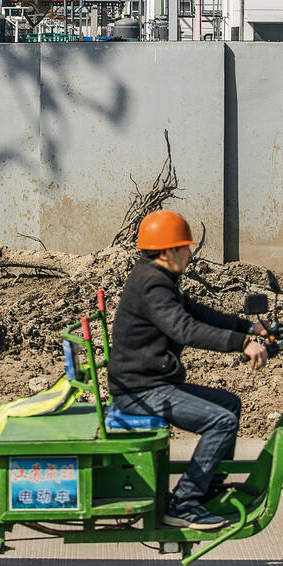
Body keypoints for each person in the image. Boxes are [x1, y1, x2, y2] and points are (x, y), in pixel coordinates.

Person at [109, 210, 270, 530]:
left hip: (151, 381)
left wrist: (249, 327)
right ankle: (185, 503)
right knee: (221, 421)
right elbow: (185, 329)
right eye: (185, 247)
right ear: (168, 251)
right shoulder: (152, 285)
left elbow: (197, 313)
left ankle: (207, 487)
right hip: (140, 390)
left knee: (229, 404)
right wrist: (241, 343)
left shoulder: (160, 278)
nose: (190, 254)